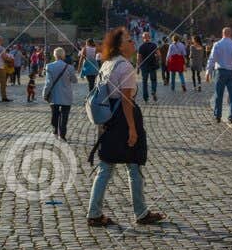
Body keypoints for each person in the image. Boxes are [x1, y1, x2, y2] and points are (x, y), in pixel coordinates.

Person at [86, 27, 164, 227]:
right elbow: (127, 101)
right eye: (129, 40)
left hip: (108, 119)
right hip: (123, 119)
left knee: (106, 167)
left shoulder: (107, 64)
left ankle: (94, 213)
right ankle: (141, 212)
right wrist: (132, 129)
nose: (133, 43)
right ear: (120, 45)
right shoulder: (125, 67)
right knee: (134, 165)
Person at [208, 26, 232, 124]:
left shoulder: (217, 44)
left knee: (218, 95)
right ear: (231, 34)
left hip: (220, 72)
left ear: (222, 34)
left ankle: (217, 115)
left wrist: (208, 71)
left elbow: (212, 59)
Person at [44, 45, 78, 139]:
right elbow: (74, 80)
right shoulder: (70, 67)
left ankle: (55, 131)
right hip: (66, 95)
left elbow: (48, 83)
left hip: (54, 95)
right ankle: (62, 135)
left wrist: (45, 94)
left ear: (54, 56)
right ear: (63, 56)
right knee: (64, 115)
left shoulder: (49, 66)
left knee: (55, 114)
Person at [137, 33, 160, 102]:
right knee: (153, 80)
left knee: (144, 82)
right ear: (149, 37)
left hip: (144, 66)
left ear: (143, 38)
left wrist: (138, 67)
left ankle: (145, 97)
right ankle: (153, 91)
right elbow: (159, 54)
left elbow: (139, 58)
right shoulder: (154, 45)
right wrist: (157, 59)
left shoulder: (141, 46)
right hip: (152, 65)